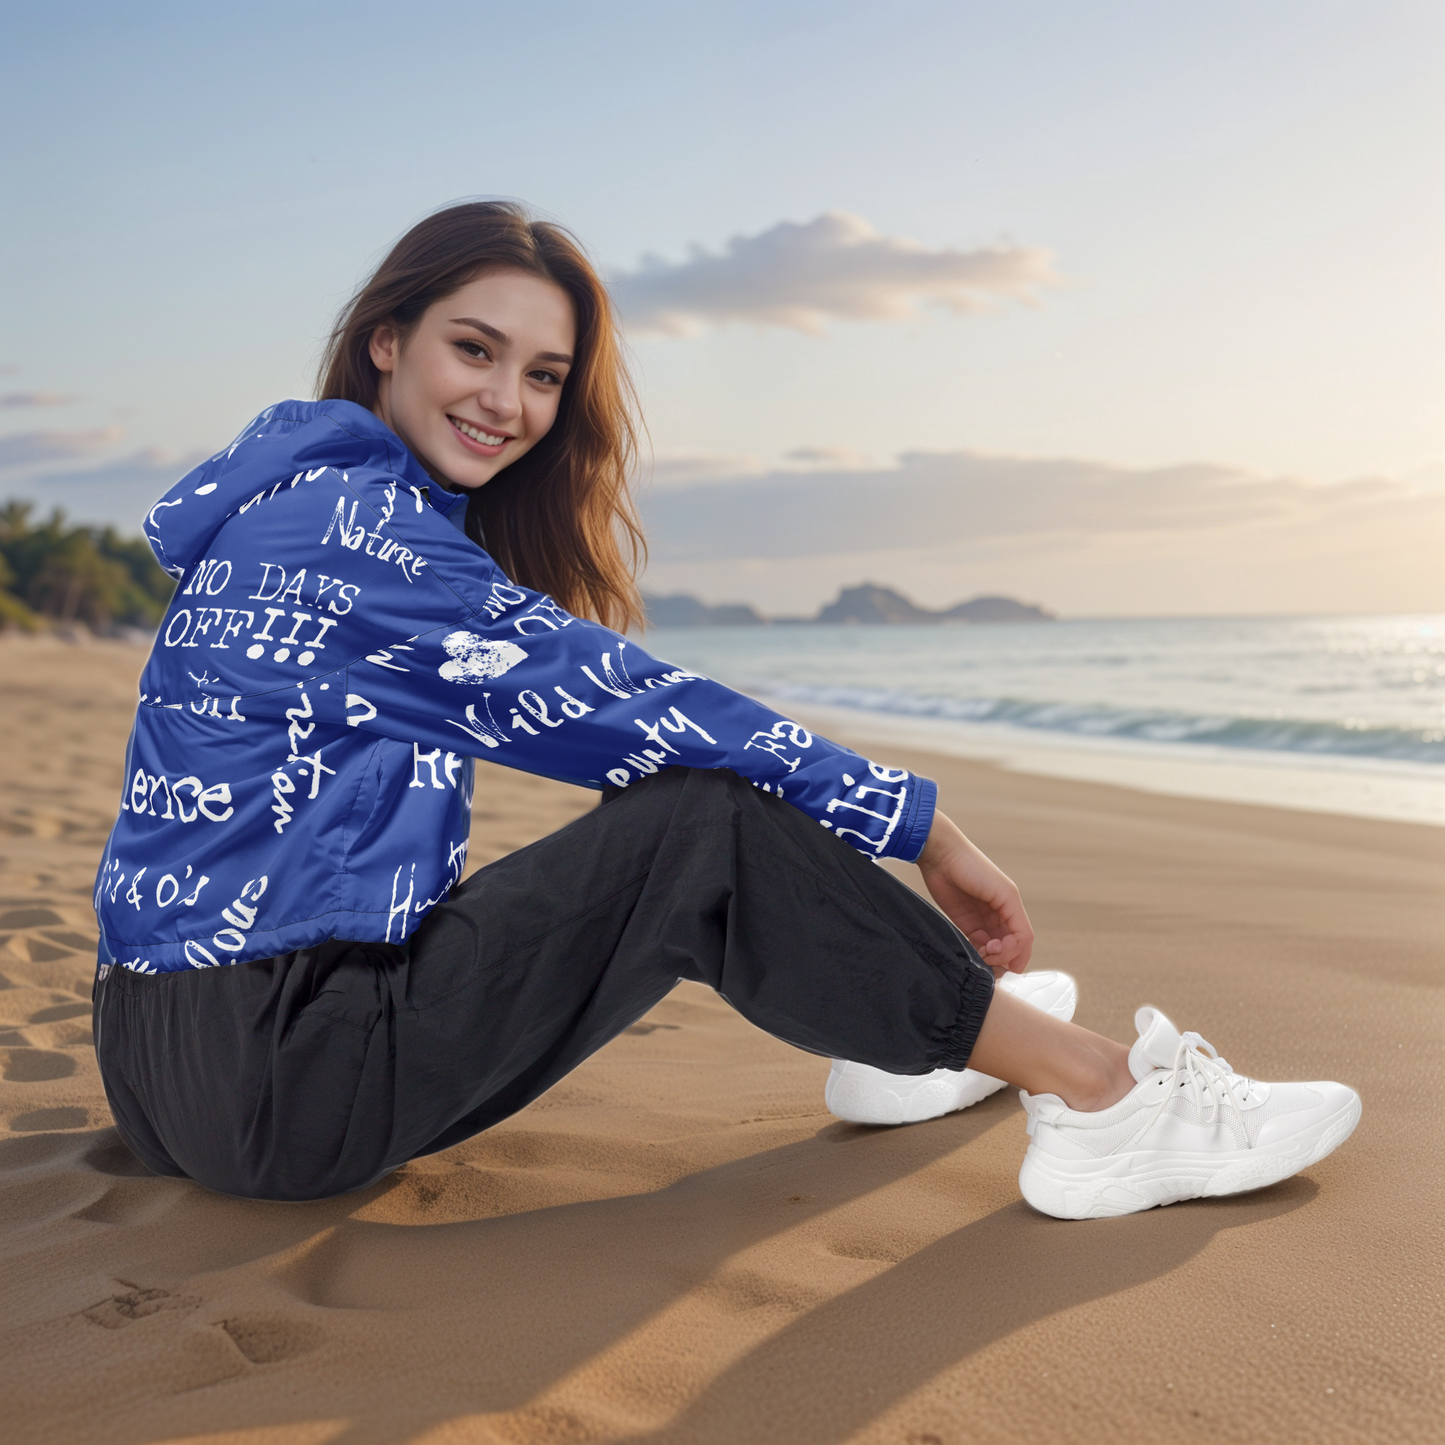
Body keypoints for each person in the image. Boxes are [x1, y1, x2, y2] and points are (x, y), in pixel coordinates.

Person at [91, 201, 1359, 1220]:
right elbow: (636, 704)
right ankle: (1099, 1098)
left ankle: (926, 1035)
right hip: (282, 1078)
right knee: (700, 822)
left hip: (160, 1061)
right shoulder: (359, 532)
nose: (507, 403)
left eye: (542, 374)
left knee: (688, 815)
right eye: (472, 350)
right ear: (388, 339)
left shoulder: (282, 506)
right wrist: (924, 830)